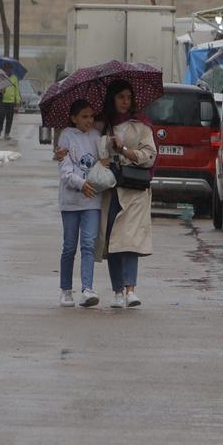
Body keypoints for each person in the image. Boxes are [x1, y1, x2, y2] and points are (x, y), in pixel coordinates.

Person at [97, 79, 157, 310]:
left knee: (130, 240)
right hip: (110, 190)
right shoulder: (102, 125)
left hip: (134, 191)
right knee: (113, 241)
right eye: (121, 96)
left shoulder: (141, 125)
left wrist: (123, 150)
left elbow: (149, 156)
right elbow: (91, 152)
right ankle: (117, 291)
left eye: (128, 97)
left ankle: (131, 289)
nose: (125, 101)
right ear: (112, 98)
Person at [55, 99, 105, 308]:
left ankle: (87, 288)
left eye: (91, 116)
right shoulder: (66, 136)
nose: (89, 120)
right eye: (84, 116)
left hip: (92, 200)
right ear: (74, 118)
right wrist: (80, 183)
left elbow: (104, 160)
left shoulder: (97, 136)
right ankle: (66, 290)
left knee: (88, 245)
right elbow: (65, 170)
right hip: (71, 202)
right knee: (69, 247)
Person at [0, 71, 23, 139]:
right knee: (0, 116)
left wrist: (17, 101)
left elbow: (17, 90)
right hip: (2, 101)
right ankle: (0, 129)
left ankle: (7, 133)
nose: (7, 69)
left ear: (11, 69)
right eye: (6, 67)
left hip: (11, 102)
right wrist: (1, 90)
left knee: (9, 118)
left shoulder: (14, 78)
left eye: (9, 68)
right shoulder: (1, 77)